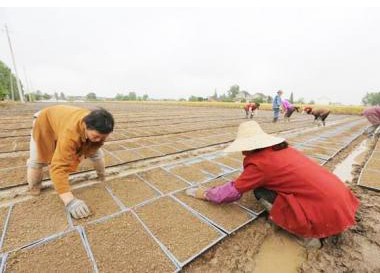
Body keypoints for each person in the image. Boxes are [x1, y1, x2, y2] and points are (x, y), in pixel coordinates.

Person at [186, 121, 359, 248]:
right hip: (341, 201)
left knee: (260, 191)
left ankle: (306, 235)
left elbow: (230, 193)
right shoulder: (283, 149)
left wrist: (204, 193)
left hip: (325, 210)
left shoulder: (260, 164)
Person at [27, 105, 114, 219]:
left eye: (103, 138)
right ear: (85, 126)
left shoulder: (98, 125)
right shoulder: (70, 133)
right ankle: (35, 188)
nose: (99, 140)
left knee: (96, 153)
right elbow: (59, 167)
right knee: (37, 160)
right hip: (44, 121)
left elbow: (95, 145)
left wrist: (94, 143)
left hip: (63, 119)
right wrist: (69, 200)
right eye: (96, 136)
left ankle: (102, 176)